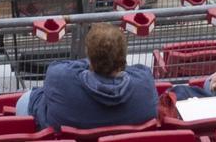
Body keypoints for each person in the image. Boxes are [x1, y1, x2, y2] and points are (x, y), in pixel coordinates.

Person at [22, 24, 157, 131]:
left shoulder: (60, 78)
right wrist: (110, 61)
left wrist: (94, 61)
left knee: (23, 101)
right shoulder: (145, 83)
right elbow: (137, 71)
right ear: (123, 56)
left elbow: (57, 67)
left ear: (89, 55)